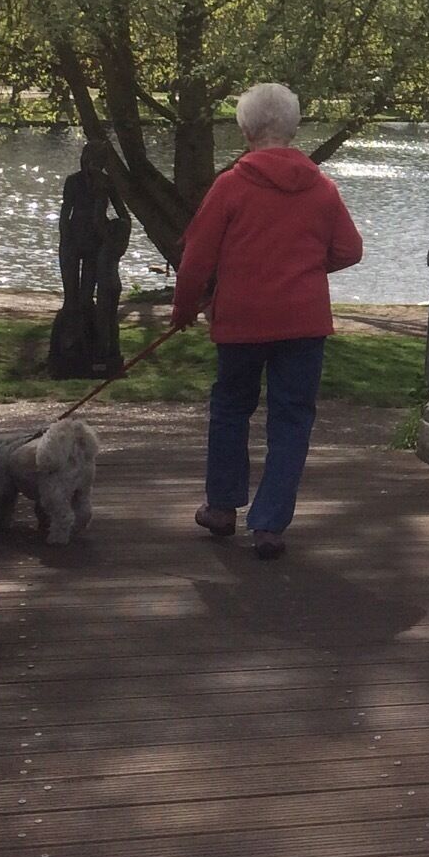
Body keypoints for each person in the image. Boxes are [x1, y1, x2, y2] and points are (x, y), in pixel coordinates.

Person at [171, 82, 363, 559]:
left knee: (232, 408)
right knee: (292, 420)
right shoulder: (322, 188)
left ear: (244, 129)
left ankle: (221, 508)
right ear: (294, 128)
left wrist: (184, 309)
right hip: (304, 322)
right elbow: (349, 250)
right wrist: (303, 270)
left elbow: (196, 257)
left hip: (241, 321)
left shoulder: (230, 186)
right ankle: (270, 524)